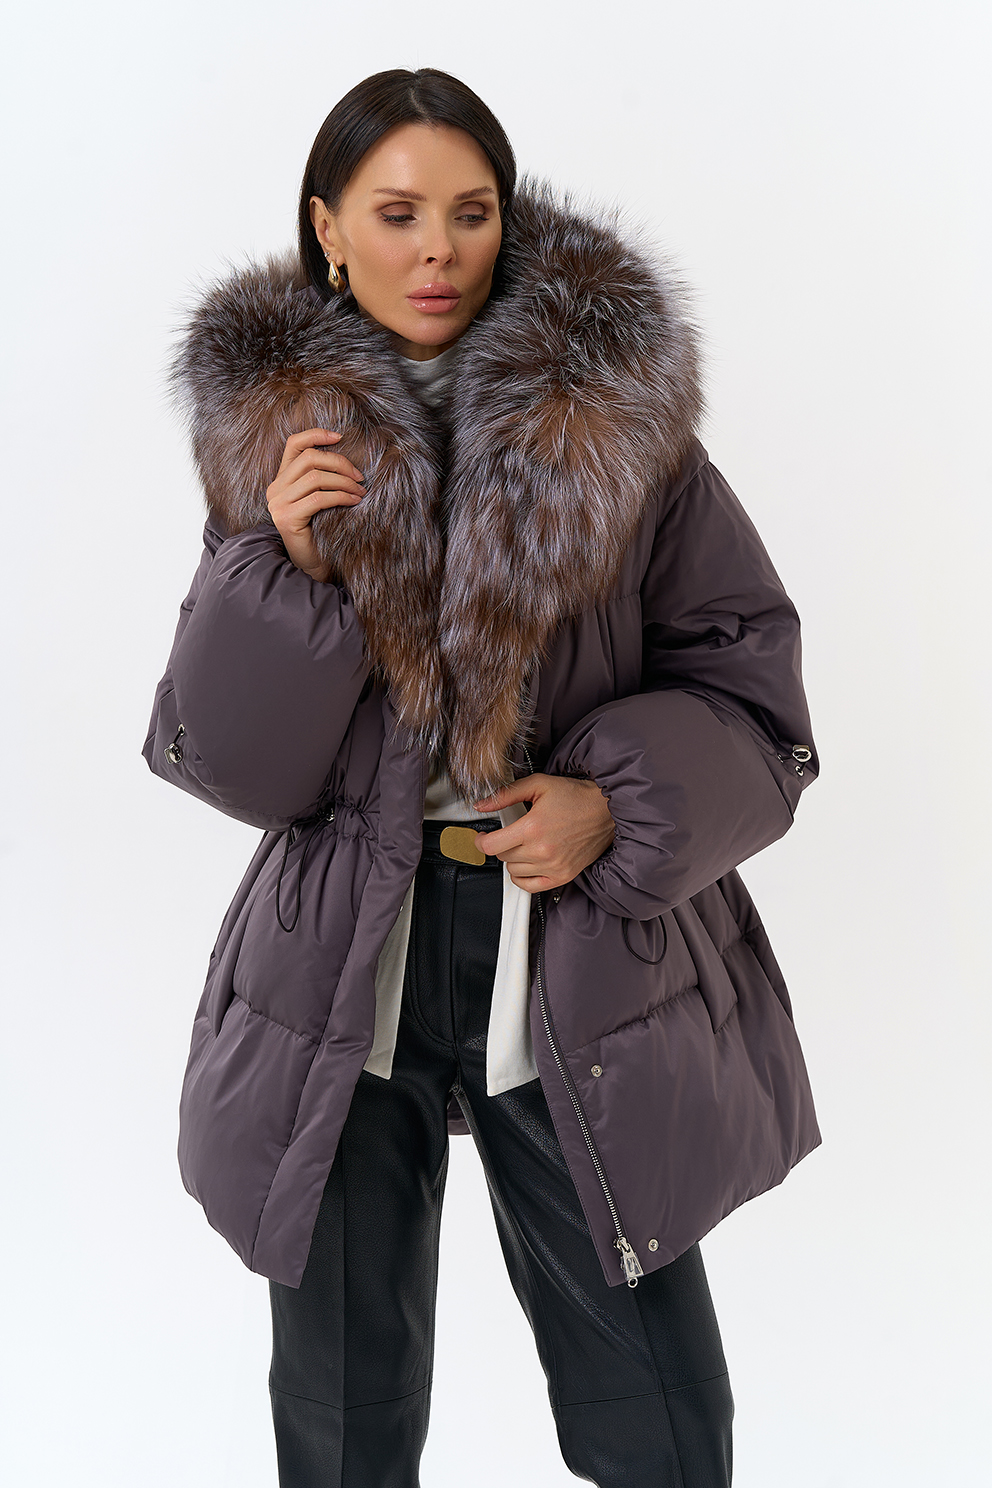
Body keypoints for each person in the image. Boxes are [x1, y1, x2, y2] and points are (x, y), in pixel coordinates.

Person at [143, 66, 821, 1488]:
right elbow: (230, 763)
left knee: (662, 1414)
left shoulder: (618, 432)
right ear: (329, 228)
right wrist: (284, 569)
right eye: (397, 214)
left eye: (471, 212)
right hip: (351, 957)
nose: (438, 250)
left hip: (573, 943)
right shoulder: (278, 449)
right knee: (341, 1411)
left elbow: (756, 695)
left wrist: (613, 807)